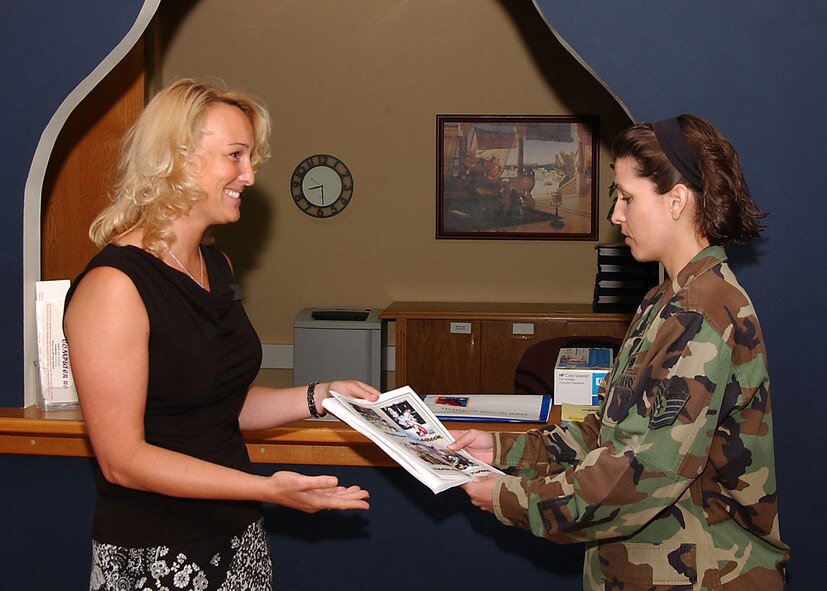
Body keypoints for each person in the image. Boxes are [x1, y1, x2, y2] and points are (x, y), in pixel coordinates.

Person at [63, 79, 381, 591]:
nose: (250, 176)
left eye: (250, 158)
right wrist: (267, 488)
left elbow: (218, 405)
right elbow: (123, 460)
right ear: (176, 159)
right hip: (155, 556)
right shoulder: (114, 286)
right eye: (235, 156)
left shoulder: (217, 264)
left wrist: (321, 396)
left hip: (237, 539)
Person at [449, 114, 789, 590]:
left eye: (627, 197)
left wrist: (512, 498)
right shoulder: (663, 302)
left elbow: (637, 479)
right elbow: (601, 434)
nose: (615, 215)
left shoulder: (702, 313)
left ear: (676, 200)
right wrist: (503, 450)